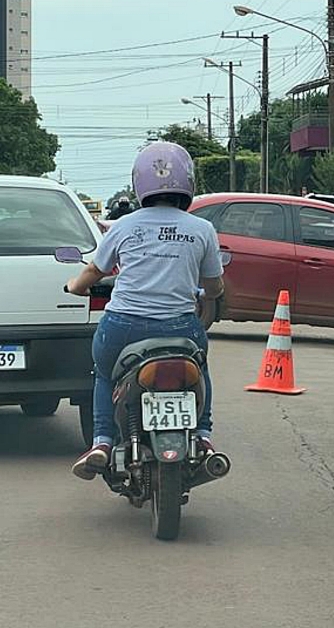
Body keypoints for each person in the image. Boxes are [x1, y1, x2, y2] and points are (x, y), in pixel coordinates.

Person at [67, 141, 225, 480]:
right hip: (181, 328)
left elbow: (94, 272)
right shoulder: (202, 230)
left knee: (105, 373)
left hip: (123, 327)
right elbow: (214, 287)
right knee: (200, 369)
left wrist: (75, 287)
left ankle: (103, 443)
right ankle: (203, 436)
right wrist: (209, 293)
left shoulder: (123, 226)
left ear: (139, 184)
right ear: (189, 182)